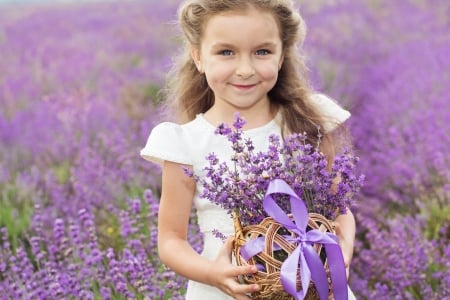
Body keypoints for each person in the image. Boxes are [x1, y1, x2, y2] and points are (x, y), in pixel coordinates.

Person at [140, 0, 357, 299]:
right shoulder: (185, 143)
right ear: (198, 57)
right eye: (226, 52)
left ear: (282, 56)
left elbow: (338, 209)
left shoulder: (308, 122)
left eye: (262, 52)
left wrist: (341, 252)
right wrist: (212, 274)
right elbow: (171, 240)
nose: (245, 69)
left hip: (313, 287)